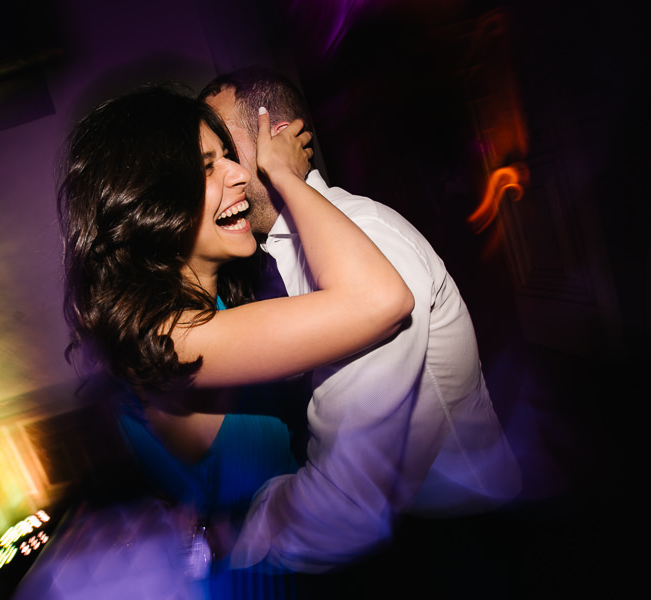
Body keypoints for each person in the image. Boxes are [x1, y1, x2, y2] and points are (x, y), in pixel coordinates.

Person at [56, 84, 414, 586]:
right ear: (151, 200)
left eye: (228, 156)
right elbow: (382, 300)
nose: (242, 174)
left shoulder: (196, 315)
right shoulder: (175, 336)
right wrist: (289, 178)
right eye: (206, 167)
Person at [200, 67, 523, 572]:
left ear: (277, 139)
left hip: (458, 542)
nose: (215, 177)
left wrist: (245, 532)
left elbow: (348, 503)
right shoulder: (291, 254)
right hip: (417, 536)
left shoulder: (364, 239)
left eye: (222, 151)